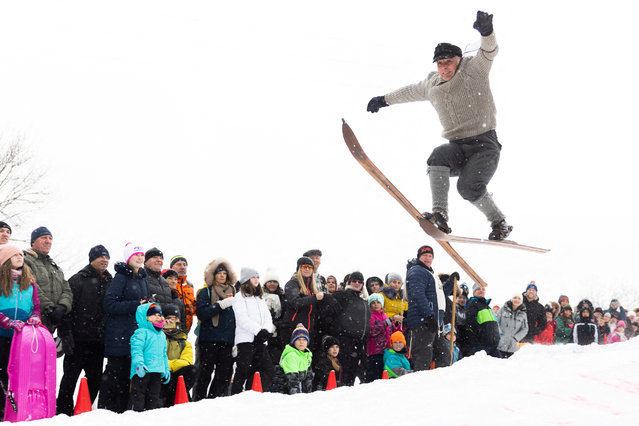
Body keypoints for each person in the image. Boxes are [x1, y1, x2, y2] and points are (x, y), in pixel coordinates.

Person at [367, 11, 511, 241]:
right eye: (440, 64)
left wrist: (487, 32)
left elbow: (489, 51)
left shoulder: (474, 71)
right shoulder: (432, 84)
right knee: (438, 156)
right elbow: (409, 92)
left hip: (485, 146)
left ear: (459, 61)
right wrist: (383, 100)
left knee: (467, 188)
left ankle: (499, 222)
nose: (445, 68)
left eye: (449, 63)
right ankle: (440, 215)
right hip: (458, 147)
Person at [57, 245, 113, 416]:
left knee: (95, 380)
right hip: (77, 340)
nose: (104, 260)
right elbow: (66, 308)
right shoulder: (77, 279)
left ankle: (83, 413)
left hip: (98, 341)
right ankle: (63, 414)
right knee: (69, 380)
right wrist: (65, 334)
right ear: (91, 259)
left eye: (106, 257)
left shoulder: (111, 281)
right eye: (100, 257)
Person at [99, 243, 149, 413]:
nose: (140, 258)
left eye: (142, 255)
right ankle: (105, 411)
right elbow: (110, 304)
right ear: (128, 258)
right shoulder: (120, 277)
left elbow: (144, 305)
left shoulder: (143, 278)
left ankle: (122, 413)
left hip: (136, 337)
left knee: (129, 378)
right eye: (136, 255)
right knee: (115, 376)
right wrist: (137, 304)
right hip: (118, 335)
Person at [0, 245, 41, 420]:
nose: (20, 257)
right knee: (1, 372)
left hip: (20, 338)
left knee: (17, 374)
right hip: (1, 335)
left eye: (21, 254)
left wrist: (35, 317)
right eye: (15, 254)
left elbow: (36, 307)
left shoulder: (30, 283)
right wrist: (6, 321)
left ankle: (15, 410)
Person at [405, 245, 455, 370]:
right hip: (423, 322)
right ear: (419, 257)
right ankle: (418, 387)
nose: (427, 258)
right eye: (424, 256)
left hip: (434, 324)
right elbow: (417, 295)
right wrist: (429, 315)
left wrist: (450, 283)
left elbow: (439, 295)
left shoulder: (429, 273)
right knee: (423, 358)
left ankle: (437, 385)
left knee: (444, 356)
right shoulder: (417, 271)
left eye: (430, 256)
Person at [193, 258, 237, 400]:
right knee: (205, 373)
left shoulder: (235, 293)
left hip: (227, 341)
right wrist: (219, 305)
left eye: (225, 273)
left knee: (223, 375)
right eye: (219, 273)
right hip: (209, 340)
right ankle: (198, 400)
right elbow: (201, 313)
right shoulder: (205, 292)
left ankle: (214, 401)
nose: (222, 276)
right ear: (213, 275)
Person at [230, 267, 274, 395]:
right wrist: (258, 331)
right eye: (253, 277)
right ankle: (235, 396)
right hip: (246, 340)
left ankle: (251, 393)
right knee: (242, 371)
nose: (257, 280)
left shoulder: (260, 297)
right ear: (246, 280)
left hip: (260, 341)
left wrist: (265, 331)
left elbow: (267, 316)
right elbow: (242, 318)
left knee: (267, 369)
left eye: (258, 277)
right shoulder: (239, 297)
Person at [23, 226, 73, 334]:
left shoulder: (55, 267)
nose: (48, 241)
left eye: (50, 238)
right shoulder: (25, 260)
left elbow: (67, 290)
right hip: (31, 321)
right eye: (43, 238)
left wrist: (62, 307)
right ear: (33, 242)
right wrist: (50, 308)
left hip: (51, 323)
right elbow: (32, 287)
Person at [329, 271, 370, 386]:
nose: (357, 283)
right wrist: (337, 332)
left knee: (354, 371)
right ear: (349, 282)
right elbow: (330, 313)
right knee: (344, 370)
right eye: (354, 281)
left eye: (360, 281)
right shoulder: (341, 295)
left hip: (360, 342)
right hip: (345, 339)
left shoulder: (364, 301)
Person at [129, 303, 170, 412]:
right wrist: (139, 364)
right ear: (145, 317)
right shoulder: (141, 332)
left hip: (157, 372)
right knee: (139, 397)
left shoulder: (162, 335)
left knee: (153, 398)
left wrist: (166, 369)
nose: (158, 317)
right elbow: (136, 350)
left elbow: (163, 355)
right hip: (142, 371)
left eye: (159, 314)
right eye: (154, 315)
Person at [280, 257, 325, 354]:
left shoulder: (312, 287)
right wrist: (314, 298)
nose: (307, 269)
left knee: (305, 362)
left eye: (310, 267)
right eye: (304, 266)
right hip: (292, 329)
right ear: (299, 268)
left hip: (307, 331)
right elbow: (295, 302)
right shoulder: (292, 283)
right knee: (292, 361)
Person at [161, 304, 197, 406]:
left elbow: (187, 362)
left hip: (175, 377)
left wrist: (169, 366)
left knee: (192, 370)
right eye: (169, 318)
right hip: (160, 375)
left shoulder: (184, 342)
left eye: (175, 318)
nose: (172, 321)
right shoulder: (158, 337)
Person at [273, 324, 314, 394]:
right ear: (293, 341)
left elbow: (308, 378)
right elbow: (292, 381)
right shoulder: (291, 356)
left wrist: (308, 395)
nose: (301, 342)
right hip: (282, 391)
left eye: (304, 339)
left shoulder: (307, 355)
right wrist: (296, 399)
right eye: (298, 339)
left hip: (295, 387)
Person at [365, 293, 393, 383]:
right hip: (375, 350)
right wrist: (385, 324)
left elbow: (391, 331)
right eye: (373, 303)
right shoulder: (370, 316)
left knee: (383, 375)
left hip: (386, 350)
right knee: (374, 376)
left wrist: (399, 325)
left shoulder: (386, 316)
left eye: (378, 302)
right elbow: (371, 331)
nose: (376, 305)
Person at [466, 284, 500, 358]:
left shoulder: (488, 307)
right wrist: (482, 334)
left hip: (493, 345)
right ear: (474, 292)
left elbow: (495, 323)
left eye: (483, 289)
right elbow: (470, 322)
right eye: (478, 289)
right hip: (481, 346)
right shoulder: (473, 304)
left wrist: (498, 336)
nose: (481, 290)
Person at [262, 268, 285, 366]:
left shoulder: (283, 297)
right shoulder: (260, 296)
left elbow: (284, 316)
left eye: (275, 282)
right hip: (263, 334)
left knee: (275, 363)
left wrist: (275, 325)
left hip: (278, 336)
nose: (272, 284)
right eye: (269, 281)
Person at [496, 293, 528, 358]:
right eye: (515, 297)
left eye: (519, 298)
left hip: (513, 348)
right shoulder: (503, 309)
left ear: (521, 301)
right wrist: (500, 335)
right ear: (511, 299)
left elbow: (525, 329)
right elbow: (496, 322)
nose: (517, 300)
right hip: (499, 345)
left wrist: (516, 338)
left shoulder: (523, 314)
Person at [169, 255, 196, 333]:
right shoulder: (168, 283)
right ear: (172, 267)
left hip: (186, 329)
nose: (182, 267)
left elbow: (193, 308)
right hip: (170, 327)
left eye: (184, 265)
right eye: (179, 264)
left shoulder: (190, 286)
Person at [455, 283, 471, 358]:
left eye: (464, 298)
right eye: (460, 297)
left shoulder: (467, 310)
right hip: (456, 336)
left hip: (465, 338)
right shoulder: (453, 307)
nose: (462, 300)